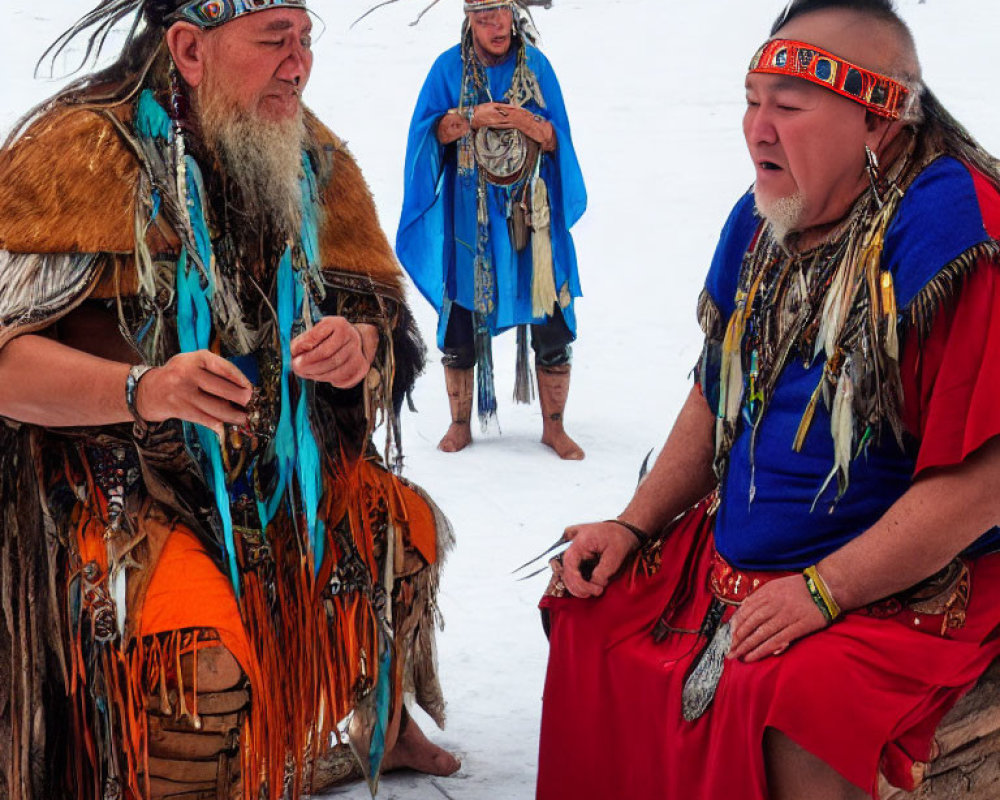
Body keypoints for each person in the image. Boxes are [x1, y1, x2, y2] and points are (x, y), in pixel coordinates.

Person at [536, 1, 1000, 798]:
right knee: (591, 613)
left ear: (878, 122)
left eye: (787, 108)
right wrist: (631, 523)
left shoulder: (957, 234)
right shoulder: (762, 219)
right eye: (752, 100)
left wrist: (828, 591)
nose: (757, 129)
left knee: (793, 700)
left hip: (905, 579)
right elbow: (713, 398)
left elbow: (982, 481)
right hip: (738, 557)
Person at [0, 1, 460, 798]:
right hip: (113, 483)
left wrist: (360, 346)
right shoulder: (78, 153)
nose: (299, 64)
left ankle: (380, 726)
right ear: (188, 48)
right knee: (197, 668)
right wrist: (143, 389)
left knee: (402, 535)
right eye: (273, 41)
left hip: (277, 474)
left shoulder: (308, 155)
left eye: (305, 40)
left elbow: (379, 314)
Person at [396, 0, 588, 458]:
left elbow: (559, 138)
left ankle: (554, 427)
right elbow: (426, 133)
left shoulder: (537, 66)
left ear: (512, 12)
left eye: (499, 13)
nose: (494, 26)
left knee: (552, 323)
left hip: (530, 213)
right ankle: (460, 423)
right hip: (472, 217)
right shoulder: (448, 69)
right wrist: (469, 119)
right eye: (482, 18)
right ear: (468, 20)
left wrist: (527, 122)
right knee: (462, 318)